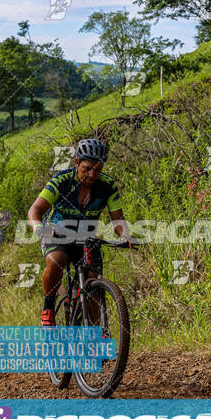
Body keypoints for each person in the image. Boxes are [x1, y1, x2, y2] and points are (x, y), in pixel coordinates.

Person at [27, 138, 133, 326]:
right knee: (56, 260)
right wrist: (39, 228)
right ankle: (48, 308)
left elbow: (117, 219)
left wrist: (124, 235)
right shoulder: (61, 181)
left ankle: (90, 336)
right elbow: (34, 211)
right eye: (87, 168)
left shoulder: (107, 186)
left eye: (98, 169)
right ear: (76, 162)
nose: (92, 174)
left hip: (86, 237)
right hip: (57, 233)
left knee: (93, 284)